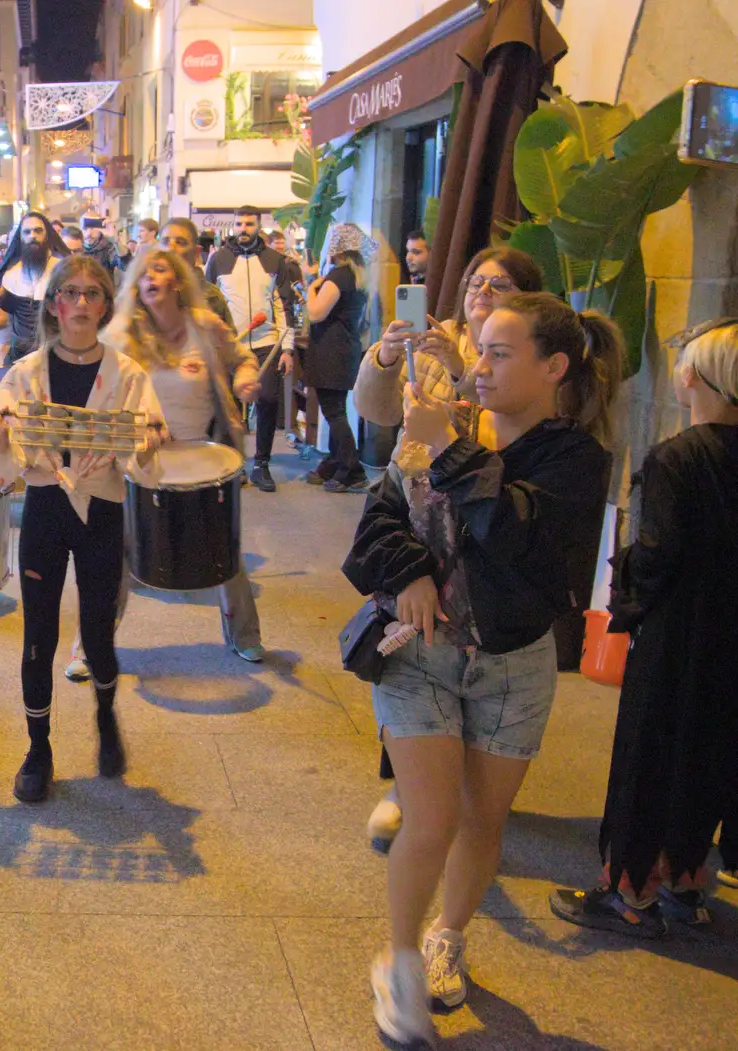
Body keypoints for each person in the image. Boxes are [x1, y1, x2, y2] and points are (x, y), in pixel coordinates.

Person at [343, 293, 621, 1045]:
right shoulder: (451, 423)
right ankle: (399, 964)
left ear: (553, 366)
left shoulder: (575, 458)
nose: (482, 364)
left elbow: (526, 539)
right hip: (422, 652)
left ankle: (447, 935)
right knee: (428, 818)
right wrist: (407, 572)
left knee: (480, 821)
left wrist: (446, 451)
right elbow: (380, 516)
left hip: (513, 662)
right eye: (480, 347)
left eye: (501, 352)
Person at [353, 247, 547, 848]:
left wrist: (466, 369)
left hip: (483, 527)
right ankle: (408, 784)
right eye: (475, 281)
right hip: (414, 511)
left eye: (502, 283)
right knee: (412, 655)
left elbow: (494, 430)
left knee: (473, 657)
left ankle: (465, 790)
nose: (484, 291)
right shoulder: (433, 339)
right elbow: (377, 410)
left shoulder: (519, 356)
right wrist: (387, 357)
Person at [550, 318, 738, 937]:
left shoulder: (677, 458)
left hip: (678, 637)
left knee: (648, 757)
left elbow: (656, 556)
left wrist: (624, 594)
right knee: (708, 758)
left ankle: (628, 894)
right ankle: (686, 883)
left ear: (692, 378)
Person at [0, 256, 162, 803]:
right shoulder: (24, 373)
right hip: (44, 507)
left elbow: (144, 453)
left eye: (92, 294)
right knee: (38, 634)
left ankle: (106, 715)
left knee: (98, 632)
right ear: (54, 304)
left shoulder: (129, 375)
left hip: (102, 510)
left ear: (106, 305)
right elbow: (4, 465)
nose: (81, 304)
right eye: (70, 293)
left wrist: (149, 444)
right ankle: (38, 748)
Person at [64, 249, 265, 683]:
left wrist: (245, 378)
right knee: (111, 556)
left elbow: (242, 358)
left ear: (176, 281)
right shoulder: (121, 335)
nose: (151, 277)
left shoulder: (205, 326)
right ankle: (88, 646)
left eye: (160, 270)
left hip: (201, 455)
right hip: (136, 457)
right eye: (144, 272)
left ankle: (245, 634)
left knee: (224, 549)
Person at [204, 206, 299, 493]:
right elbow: (208, 304)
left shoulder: (275, 260)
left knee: (268, 400)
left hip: (266, 344)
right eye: (239, 223)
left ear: (258, 226)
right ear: (232, 226)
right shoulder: (218, 260)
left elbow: (284, 306)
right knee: (228, 406)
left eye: (249, 223)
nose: (243, 228)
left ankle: (261, 464)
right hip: (229, 345)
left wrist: (287, 348)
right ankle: (233, 463)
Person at [299, 225, 372, 493]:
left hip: (331, 352)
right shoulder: (357, 278)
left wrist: (310, 283)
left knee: (333, 412)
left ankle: (352, 469)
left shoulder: (337, 277)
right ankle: (335, 461)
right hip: (345, 350)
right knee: (335, 409)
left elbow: (316, 313)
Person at [0, 212, 71, 367]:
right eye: (27, 232)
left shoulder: (63, 269)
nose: (33, 236)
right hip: (20, 357)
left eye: (38, 231)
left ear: (47, 235)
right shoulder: (11, 275)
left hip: (58, 354)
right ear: (21, 238)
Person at [158, 219, 234, 332]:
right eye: (165, 242)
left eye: (180, 242)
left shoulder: (211, 296)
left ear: (196, 252)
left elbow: (229, 342)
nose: (170, 248)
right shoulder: (148, 291)